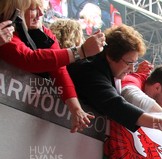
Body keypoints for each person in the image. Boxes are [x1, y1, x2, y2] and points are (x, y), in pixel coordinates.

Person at [0, 0, 105, 132]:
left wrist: (76, 109)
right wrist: (81, 51)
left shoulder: (44, 33)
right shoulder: (4, 29)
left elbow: (59, 69)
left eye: (41, 9)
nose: (40, 14)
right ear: (15, 10)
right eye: (32, 9)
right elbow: (30, 59)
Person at [68, 24, 162, 137]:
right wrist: (160, 123)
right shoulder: (91, 71)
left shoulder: (104, 70)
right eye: (129, 63)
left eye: (135, 63)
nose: (132, 69)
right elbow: (117, 106)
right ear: (110, 56)